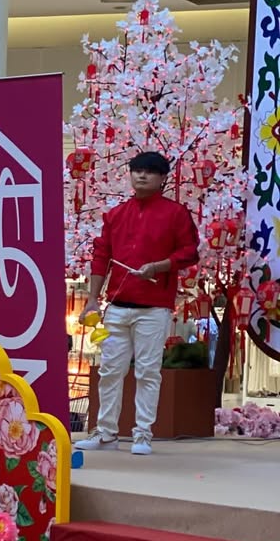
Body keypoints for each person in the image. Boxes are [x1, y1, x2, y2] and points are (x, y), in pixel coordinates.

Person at [76, 151, 200, 456]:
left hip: (154, 307)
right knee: (109, 371)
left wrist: (158, 266)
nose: (141, 176)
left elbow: (190, 252)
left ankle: (143, 433)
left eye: (149, 172)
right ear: (130, 175)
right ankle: (106, 433)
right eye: (136, 171)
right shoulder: (116, 214)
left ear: (162, 179)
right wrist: (92, 299)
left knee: (147, 371)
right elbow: (101, 255)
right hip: (117, 305)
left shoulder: (176, 214)